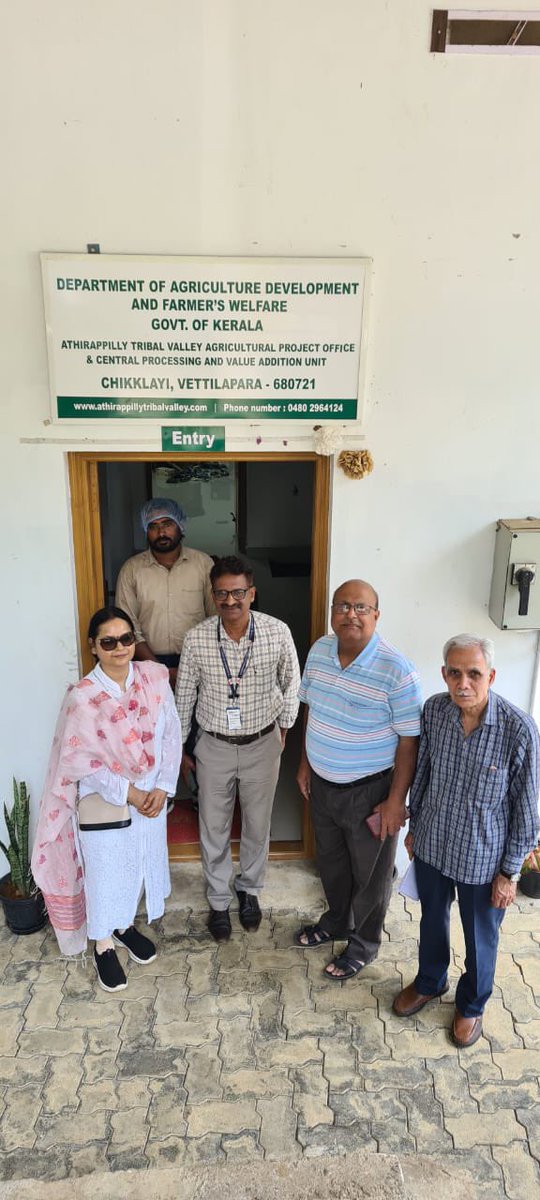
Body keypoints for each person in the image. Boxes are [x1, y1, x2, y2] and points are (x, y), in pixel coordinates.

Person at [393, 634, 540, 1047]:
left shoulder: (518, 730)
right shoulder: (435, 712)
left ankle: (472, 1005)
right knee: (431, 921)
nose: (463, 683)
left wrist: (510, 873)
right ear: (443, 674)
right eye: (454, 673)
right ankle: (429, 981)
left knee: (480, 937)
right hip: (434, 844)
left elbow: (527, 812)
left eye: (474, 674)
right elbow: (423, 773)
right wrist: (415, 828)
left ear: (490, 675)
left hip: (484, 858)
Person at [32, 606, 181, 993]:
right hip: (108, 798)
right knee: (105, 871)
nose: (120, 648)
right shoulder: (83, 697)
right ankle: (102, 943)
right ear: (93, 647)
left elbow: (171, 735)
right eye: (109, 642)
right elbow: (80, 762)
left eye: (126, 639)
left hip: (152, 797)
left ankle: (125, 925)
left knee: (136, 866)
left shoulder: (154, 678)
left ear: (135, 640)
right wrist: (130, 792)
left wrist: (163, 787)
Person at [295, 579, 422, 981]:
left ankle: (364, 944)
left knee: (370, 874)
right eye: (343, 606)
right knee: (331, 863)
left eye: (361, 608)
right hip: (323, 783)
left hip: (371, 792)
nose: (351, 614)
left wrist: (395, 801)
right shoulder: (318, 650)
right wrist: (304, 764)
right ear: (333, 612)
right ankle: (336, 922)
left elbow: (409, 742)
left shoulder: (396, 669)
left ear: (376, 616)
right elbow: (311, 711)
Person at [175, 554, 301, 941]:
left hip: (263, 743)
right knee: (212, 824)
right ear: (213, 595)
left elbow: (292, 681)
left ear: (252, 593)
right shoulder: (197, 638)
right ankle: (217, 900)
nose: (230, 601)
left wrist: (284, 726)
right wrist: (181, 747)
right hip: (213, 744)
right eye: (222, 594)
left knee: (257, 823)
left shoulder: (276, 632)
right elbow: (185, 696)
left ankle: (249, 891)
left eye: (238, 593)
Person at [115, 497, 215, 690]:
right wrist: (160, 670)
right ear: (146, 530)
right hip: (146, 662)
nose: (161, 532)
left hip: (198, 661)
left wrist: (190, 667)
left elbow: (215, 619)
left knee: (196, 720)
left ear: (180, 525)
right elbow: (127, 626)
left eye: (167, 524)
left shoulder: (203, 564)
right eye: (153, 526)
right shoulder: (131, 569)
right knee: (154, 720)